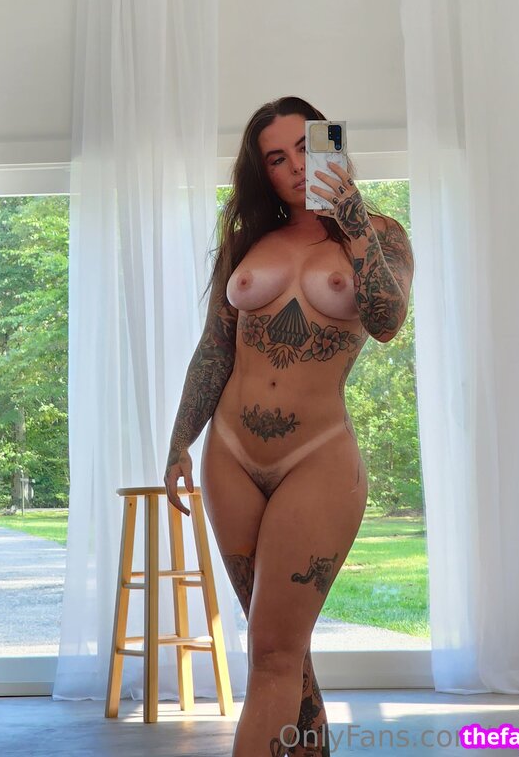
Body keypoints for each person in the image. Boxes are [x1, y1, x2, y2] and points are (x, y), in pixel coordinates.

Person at [164, 95, 414, 757]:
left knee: (273, 653)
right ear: (262, 173)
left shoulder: (382, 234)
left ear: (332, 145)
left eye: (307, 147)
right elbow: (215, 348)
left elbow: (387, 321)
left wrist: (352, 220)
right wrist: (180, 440)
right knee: (283, 650)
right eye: (276, 159)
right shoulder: (248, 242)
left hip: (317, 460)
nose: (296, 167)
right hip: (229, 456)